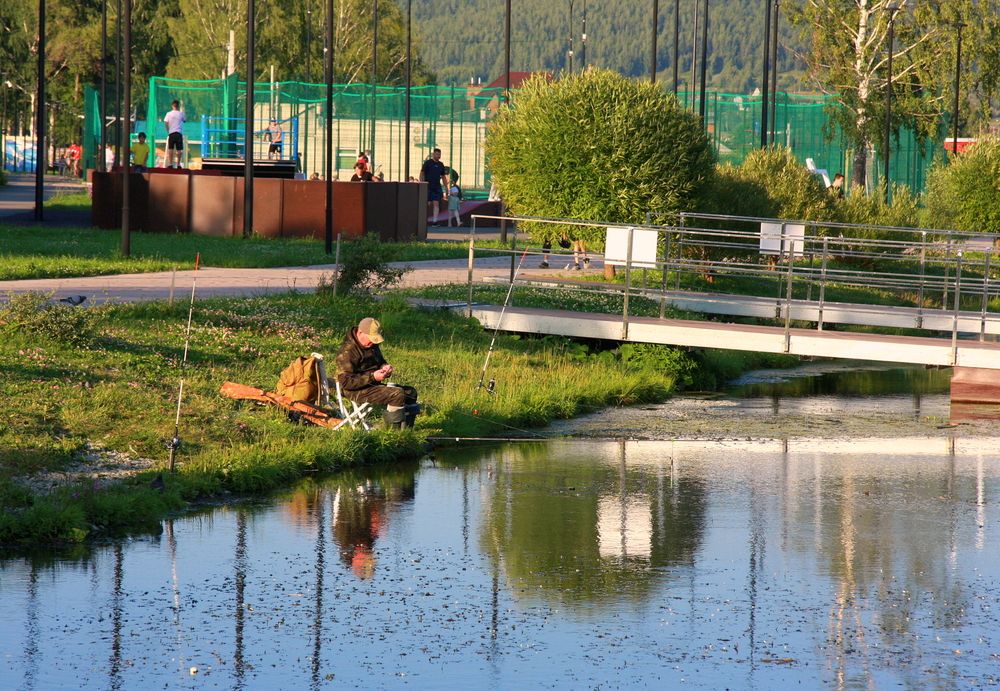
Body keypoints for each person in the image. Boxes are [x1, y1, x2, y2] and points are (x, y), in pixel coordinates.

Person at [334, 317, 419, 429]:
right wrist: (373, 377)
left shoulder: (371, 345)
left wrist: (385, 367)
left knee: (410, 392)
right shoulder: (347, 352)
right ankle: (394, 434)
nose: (373, 342)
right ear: (360, 333)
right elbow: (346, 382)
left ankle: (407, 431)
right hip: (353, 390)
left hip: (371, 383)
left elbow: (379, 362)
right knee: (397, 394)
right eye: (371, 338)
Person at [420, 148, 449, 226]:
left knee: (436, 203)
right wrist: (422, 183)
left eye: (439, 154)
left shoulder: (441, 164)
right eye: (437, 154)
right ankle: (422, 221)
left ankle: (434, 221)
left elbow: (443, 177)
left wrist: (446, 188)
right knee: (427, 203)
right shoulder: (427, 163)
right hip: (428, 186)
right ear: (433, 154)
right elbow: (422, 173)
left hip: (436, 187)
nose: (438, 156)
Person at [163, 99, 185, 168]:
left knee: (171, 149)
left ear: (172, 106)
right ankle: (178, 164)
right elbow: (184, 120)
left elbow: (166, 122)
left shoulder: (168, 114)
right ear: (178, 106)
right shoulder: (181, 114)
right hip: (178, 133)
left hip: (171, 133)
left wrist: (168, 131)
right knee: (179, 149)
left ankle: (170, 164)